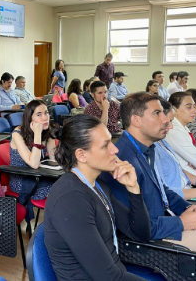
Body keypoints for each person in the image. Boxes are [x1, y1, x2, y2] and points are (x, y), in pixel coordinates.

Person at [100, 92, 196, 273]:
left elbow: (161, 190)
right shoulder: (123, 161)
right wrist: (181, 222)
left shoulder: (147, 149)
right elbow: (134, 228)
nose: (166, 119)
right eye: (157, 113)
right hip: (153, 244)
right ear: (136, 120)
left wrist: (188, 208)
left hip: (166, 225)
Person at [45, 114, 151, 281]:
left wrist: (133, 188)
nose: (115, 150)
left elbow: (140, 234)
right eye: (105, 145)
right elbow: (107, 277)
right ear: (81, 155)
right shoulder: (71, 199)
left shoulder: (97, 185)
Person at [10, 100, 57, 221]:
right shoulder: (17, 133)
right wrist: (37, 134)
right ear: (29, 118)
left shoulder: (47, 131)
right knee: (64, 189)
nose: (45, 118)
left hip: (39, 176)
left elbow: (54, 160)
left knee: (69, 182)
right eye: (39, 114)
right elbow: (34, 164)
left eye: (46, 113)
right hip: (22, 180)